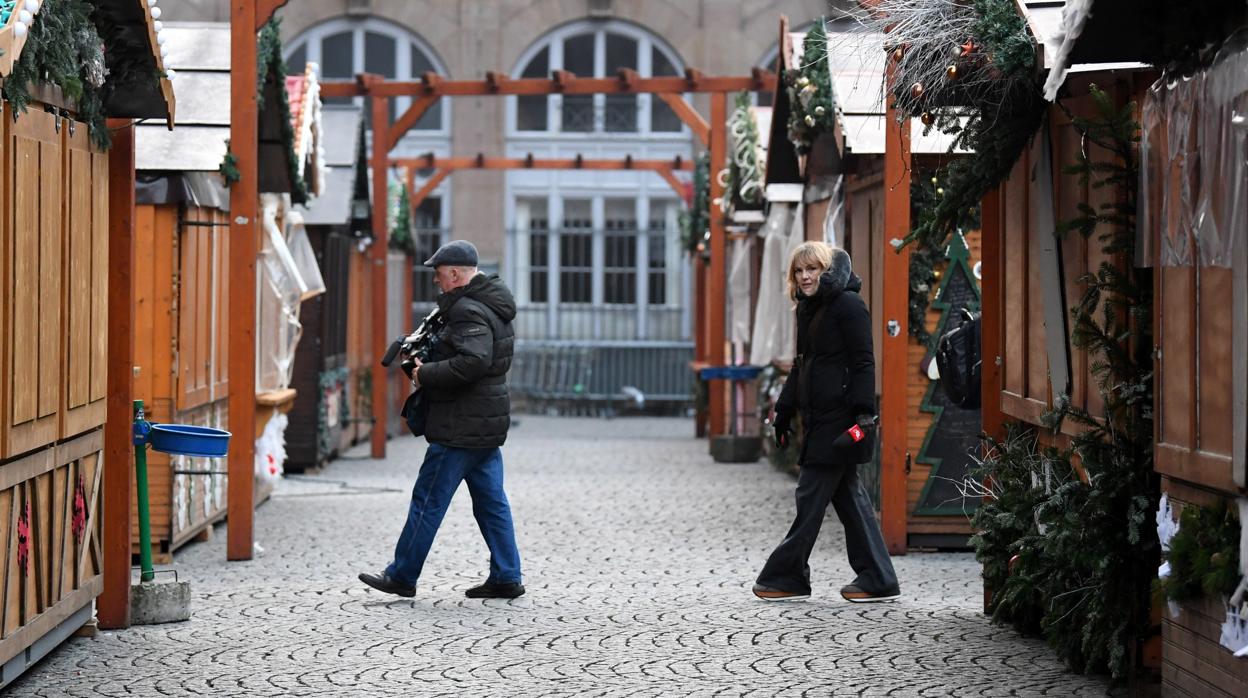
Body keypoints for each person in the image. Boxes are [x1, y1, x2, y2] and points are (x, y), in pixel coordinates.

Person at [359, 240, 525, 600]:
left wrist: (424, 373)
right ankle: (506, 575)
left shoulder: (467, 310)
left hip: (459, 425)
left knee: (428, 500)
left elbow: (474, 361)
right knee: (492, 503)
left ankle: (402, 575)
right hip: (484, 422)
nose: (436, 281)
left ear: (454, 274)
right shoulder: (490, 304)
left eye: (438, 274)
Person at [753, 242, 900, 603]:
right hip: (819, 418)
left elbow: (864, 361)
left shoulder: (848, 305)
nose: (805, 277)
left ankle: (786, 576)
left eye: (812, 269)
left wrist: (864, 414)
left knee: (810, 496)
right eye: (799, 271)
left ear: (826, 270)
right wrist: (784, 410)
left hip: (841, 419)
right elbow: (802, 363)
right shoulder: (809, 308)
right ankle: (878, 578)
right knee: (849, 499)